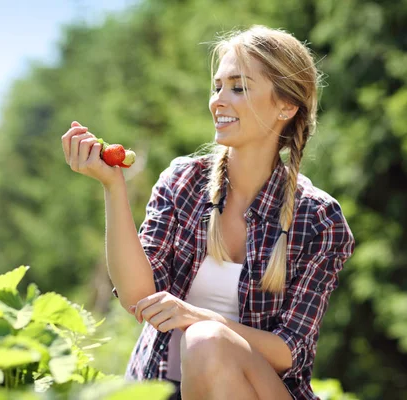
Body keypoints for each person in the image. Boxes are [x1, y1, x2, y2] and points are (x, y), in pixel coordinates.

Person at [61, 25, 354, 400]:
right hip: (160, 388)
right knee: (204, 339)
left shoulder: (318, 219)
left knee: (206, 339)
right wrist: (113, 187)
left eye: (239, 87)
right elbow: (138, 297)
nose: (218, 100)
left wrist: (196, 318)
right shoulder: (183, 181)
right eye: (217, 87)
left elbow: (289, 352)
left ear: (286, 105)